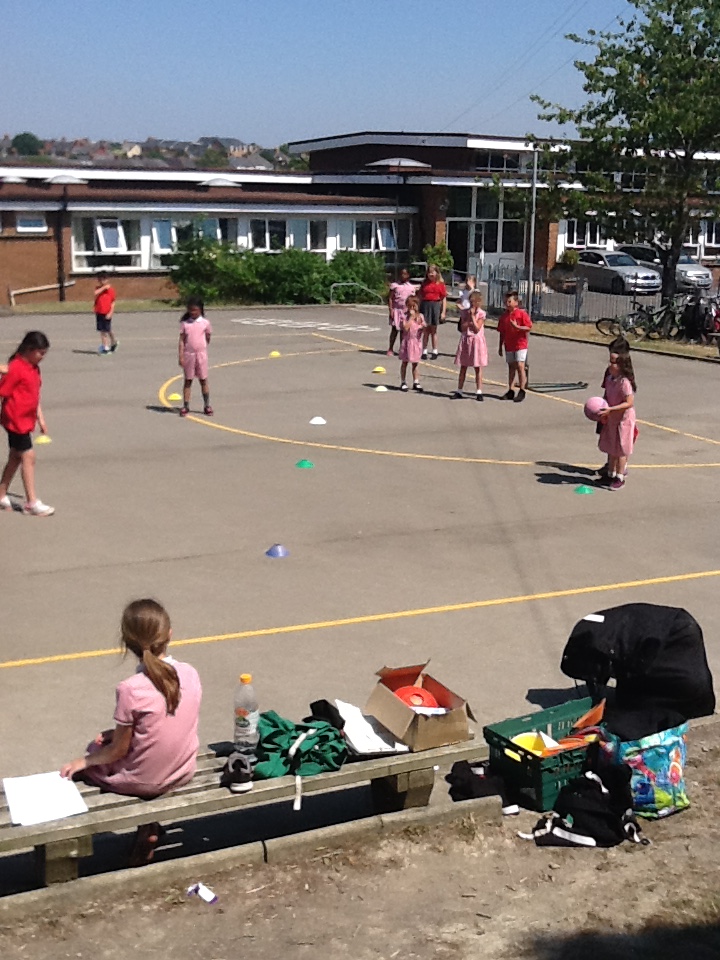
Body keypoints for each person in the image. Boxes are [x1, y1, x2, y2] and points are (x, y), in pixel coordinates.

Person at [60, 599, 202, 864]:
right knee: (131, 748)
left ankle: (145, 827)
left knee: (96, 750)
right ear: (169, 634)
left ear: (126, 642)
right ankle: (148, 827)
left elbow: (118, 751)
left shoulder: (130, 688)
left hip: (145, 780)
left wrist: (85, 760)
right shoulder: (190, 673)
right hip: (183, 770)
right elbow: (168, 724)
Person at [0, 331, 53, 517]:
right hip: (15, 420)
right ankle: (31, 502)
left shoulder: (33, 368)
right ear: (29, 350)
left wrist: (41, 418)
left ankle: (1, 494)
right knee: (28, 457)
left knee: (15, 457)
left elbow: (34, 396)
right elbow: (3, 392)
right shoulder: (16, 367)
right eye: (40, 353)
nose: (43, 357)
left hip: (26, 419)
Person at [597, 351, 636, 491]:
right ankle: (610, 474)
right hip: (612, 418)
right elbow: (606, 396)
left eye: (613, 362)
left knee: (621, 449)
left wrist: (611, 409)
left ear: (621, 366)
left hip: (624, 419)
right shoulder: (609, 379)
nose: (610, 365)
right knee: (611, 447)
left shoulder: (624, 382)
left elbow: (629, 402)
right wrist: (602, 409)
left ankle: (620, 477)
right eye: (610, 361)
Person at [178, 297, 213, 417]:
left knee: (203, 379)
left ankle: (207, 405)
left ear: (200, 310)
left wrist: (202, 347)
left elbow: (208, 337)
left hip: (201, 355)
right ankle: (186, 405)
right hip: (189, 355)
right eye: (191, 310)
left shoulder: (205, 323)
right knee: (188, 380)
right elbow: (182, 341)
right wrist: (181, 356)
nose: (193, 313)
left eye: (195, 310)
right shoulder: (185, 324)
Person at [497, 290, 532, 402]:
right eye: (505, 301)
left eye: (509, 301)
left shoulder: (521, 314)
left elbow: (528, 327)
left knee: (520, 365)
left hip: (520, 344)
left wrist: (518, 327)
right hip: (509, 345)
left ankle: (522, 390)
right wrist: (500, 346)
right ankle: (511, 390)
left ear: (516, 302)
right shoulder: (504, 317)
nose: (507, 303)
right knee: (511, 367)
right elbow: (502, 332)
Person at [453, 291, 488, 400]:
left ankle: (479, 391)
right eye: (471, 302)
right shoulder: (464, 313)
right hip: (466, 340)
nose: (473, 305)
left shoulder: (481, 314)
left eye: (475, 303)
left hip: (476, 341)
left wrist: (473, 317)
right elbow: (463, 327)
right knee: (463, 366)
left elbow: (477, 328)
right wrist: (468, 319)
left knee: (478, 367)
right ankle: (459, 390)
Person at [419, 264, 447, 359]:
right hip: (425, 305)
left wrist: (443, 312)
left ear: (436, 273)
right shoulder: (424, 283)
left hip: (435, 305)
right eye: (429, 272)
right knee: (425, 330)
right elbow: (420, 296)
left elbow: (443, 298)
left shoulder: (440, 284)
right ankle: (424, 350)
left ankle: (435, 351)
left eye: (432, 272)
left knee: (433, 330)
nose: (431, 274)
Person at [399, 296, 426, 392]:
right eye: (410, 306)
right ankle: (403, 381)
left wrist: (422, 326)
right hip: (407, 341)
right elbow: (405, 328)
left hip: (416, 342)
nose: (412, 309)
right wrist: (411, 318)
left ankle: (416, 381)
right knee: (405, 362)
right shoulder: (404, 316)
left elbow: (424, 327)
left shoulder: (420, 316)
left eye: (414, 306)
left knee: (415, 363)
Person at [387, 268, 416, 356]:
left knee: (404, 331)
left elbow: (413, 300)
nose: (403, 276)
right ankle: (390, 348)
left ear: (408, 275)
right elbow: (390, 298)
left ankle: (402, 348)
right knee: (395, 330)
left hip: (406, 311)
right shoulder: (395, 286)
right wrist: (391, 310)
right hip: (397, 310)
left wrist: (413, 310)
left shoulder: (411, 287)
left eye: (405, 274)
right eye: (402, 274)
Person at [94, 272, 117, 355]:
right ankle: (106, 346)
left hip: (107, 312)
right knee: (102, 330)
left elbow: (113, 302)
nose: (102, 281)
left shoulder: (110, 290)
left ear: (107, 280)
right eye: (100, 280)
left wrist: (111, 312)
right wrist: (103, 288)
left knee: (107, 330)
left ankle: (111, 344)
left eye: (104, 279)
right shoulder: (98, 289)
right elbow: (95, 293)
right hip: (99, 312)